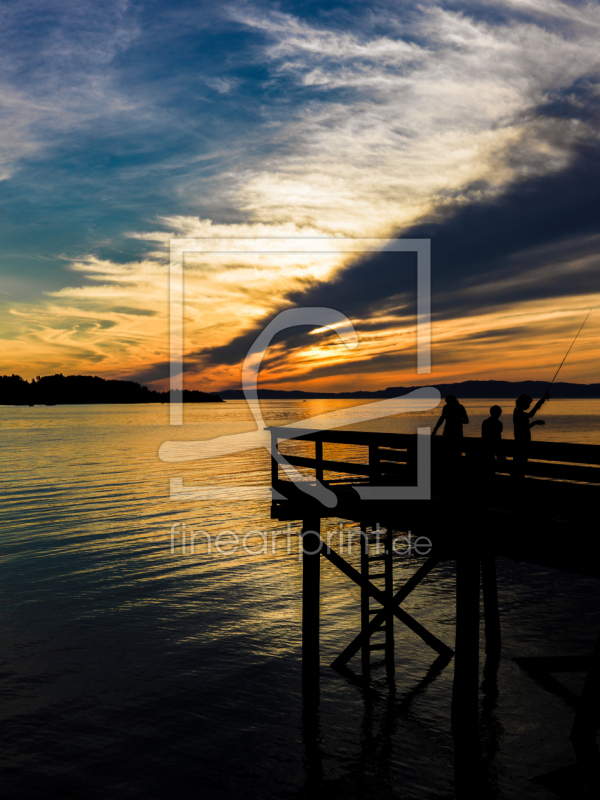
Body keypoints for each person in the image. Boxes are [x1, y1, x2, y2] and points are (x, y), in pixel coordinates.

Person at [513, 391, 549, 468]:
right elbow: (530, 415)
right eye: (528, 403)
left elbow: (524, 427)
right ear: (523, 403)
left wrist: (534, 423)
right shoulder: (519, 413)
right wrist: (541, 401)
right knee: (521, 465)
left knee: (521, 464)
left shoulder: (517, 412)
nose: (529, 406)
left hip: (521, 442)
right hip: (522, 443)